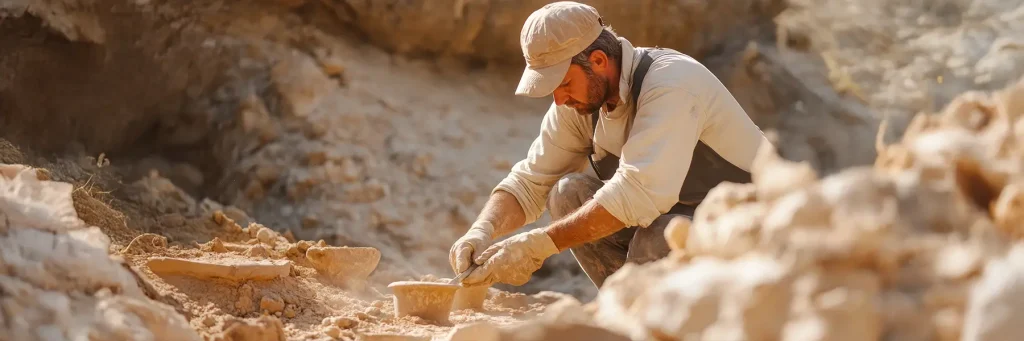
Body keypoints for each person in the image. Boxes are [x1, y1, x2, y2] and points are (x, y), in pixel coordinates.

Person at [449, 1, 771, 289]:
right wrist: (482, 230)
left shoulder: (672, 83)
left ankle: (639, 319)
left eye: (563, 83)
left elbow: (637, 194)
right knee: (567, 194)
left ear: (599, 60)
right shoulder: (579, 103)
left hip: (755, 236)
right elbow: (530, 182)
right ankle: (625, 312)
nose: (558, 98)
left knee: (659, 234)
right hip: (677, 224)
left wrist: (536, 246)